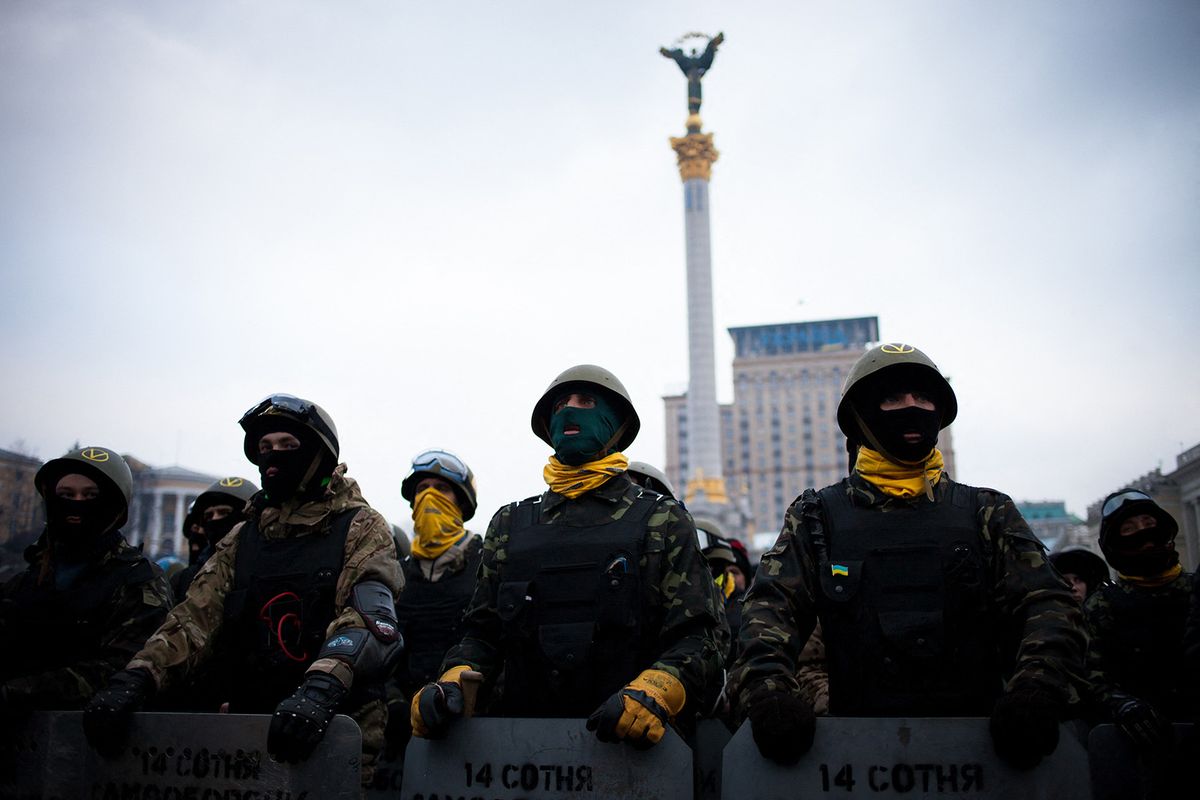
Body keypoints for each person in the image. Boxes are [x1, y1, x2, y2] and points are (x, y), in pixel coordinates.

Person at [727, 343, 1086, 769]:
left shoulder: (988, 511)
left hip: (980, 756)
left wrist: (1037, 690)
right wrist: (770, 695)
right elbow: (768, 613)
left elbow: (1048, 605)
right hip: (850, 756)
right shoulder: (816, 518)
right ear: (861, 416)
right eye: (893, 398)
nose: (911, 408)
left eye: (923, 397)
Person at [83, 394, 403, 786]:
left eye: (288, 446)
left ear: (320, 455)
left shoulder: (361, 526)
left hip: (335, 723)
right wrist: (137, 678)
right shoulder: (242, 537)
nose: (275, 455)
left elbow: (368, 622)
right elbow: (192, 620)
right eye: (266, 448)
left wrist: (320, 688)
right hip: (246, 727)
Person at [410, 365, 726, 748]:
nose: (570, 411)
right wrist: (454, 680)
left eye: (586, 401)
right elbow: (482, 634)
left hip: (630, 753)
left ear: (617, 424)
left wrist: (657, 689)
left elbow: (702, 638)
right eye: (561, 404)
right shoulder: (510, 523)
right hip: (520, 753)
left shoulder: (661, 519)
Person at [0, 446, 170, 719]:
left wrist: (16, 692)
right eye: (66, 495)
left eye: (91, 496)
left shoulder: (139, 581)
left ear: (115, 507)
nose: (76, 504)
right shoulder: (25, 578)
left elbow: (122, 668)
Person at [386, 449, 483, 754]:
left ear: (462, 502)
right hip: (398, 734)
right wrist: (392, 702)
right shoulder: (394, 571)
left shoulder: (488, 563)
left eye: (441, 489)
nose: (428, 497)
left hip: (473, 727)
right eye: (421, 490)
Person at [1084, 490, 1195, 754]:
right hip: (1141, 749)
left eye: (1149, 524)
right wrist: (1118, 704)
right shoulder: (1101, 606)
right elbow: (1088, 677)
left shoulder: (1195, 590)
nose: (1144, 536)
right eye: (1130, 529)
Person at [171, 476, 259, 600]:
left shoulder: (263, 569)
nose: (214, 519)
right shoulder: (184, 579)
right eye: (209, 515)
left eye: (223, 512)